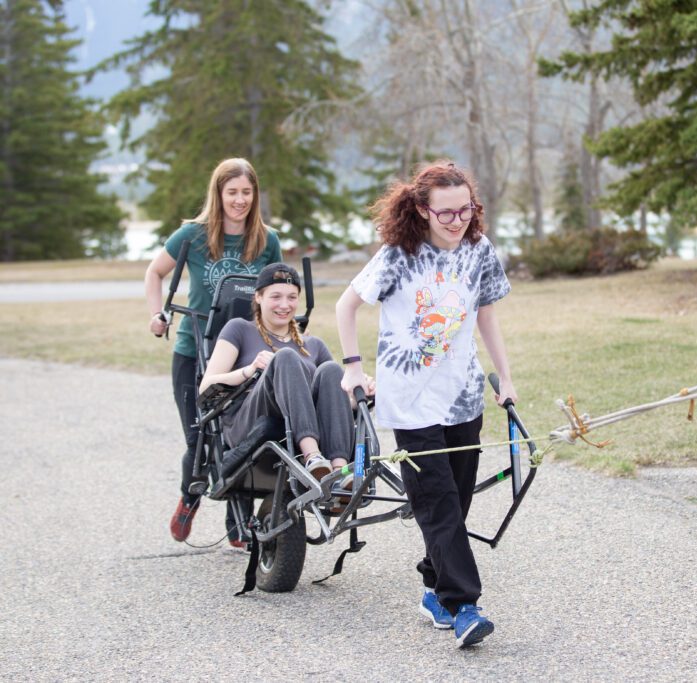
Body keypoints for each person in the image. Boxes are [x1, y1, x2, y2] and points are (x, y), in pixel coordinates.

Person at [335, 161, 517, 648]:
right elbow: (345, 306)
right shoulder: (399, 254)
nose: (458, 221)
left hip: (463, 396)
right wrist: (352, 367)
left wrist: (506, 377)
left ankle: (433, 586)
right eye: (447, 213)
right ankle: (463, 605)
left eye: (466, 210)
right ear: (421, 209)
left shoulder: (479, 251)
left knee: (456, 500)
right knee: (436, 504)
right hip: (410, 402)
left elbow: (486, 315)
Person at [144, 158, 282, 547]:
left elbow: (278, 291)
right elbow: (155, 272)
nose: (239, 200)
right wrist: (157, 314)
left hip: (246, 350)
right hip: (195, 349)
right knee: (198, 434)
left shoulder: (266, 240)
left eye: (246, 192)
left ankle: (236, 523)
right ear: (218, 194)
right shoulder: (192, 235)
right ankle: (190, 496)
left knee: (239, 437)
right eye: (232, 192)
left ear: (255, 195)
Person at [199, 263, 358, 495]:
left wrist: (359, 391)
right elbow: (206, 386)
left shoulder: (313, 345)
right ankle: (312, 457)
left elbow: (338, 400)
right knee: (284, 357)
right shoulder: (239, 329)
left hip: (305, 422)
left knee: (332, 370)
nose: (285, 305)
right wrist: (250, 369)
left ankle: (338, 472)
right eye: (276, 297)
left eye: (292, 297)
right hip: (253, 421)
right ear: (259, 297)